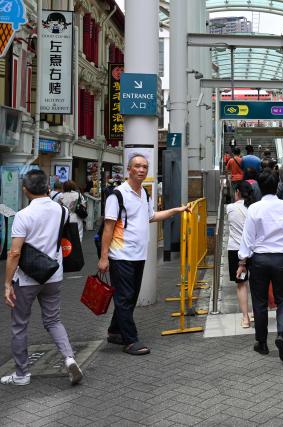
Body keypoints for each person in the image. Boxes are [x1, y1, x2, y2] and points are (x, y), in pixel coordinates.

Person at [98, 154, 188, 355]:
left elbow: (152, 216)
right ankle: (130, 340)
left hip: (138, 255)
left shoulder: (144, 194)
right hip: (120, 255)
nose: (141, 170)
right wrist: (104, 257)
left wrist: (176, 210)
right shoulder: (117, 195)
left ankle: (114, 331)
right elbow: (108, 227)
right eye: (137, 166)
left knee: (129, 297)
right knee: (124, 297)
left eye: (145, 167)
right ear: (129, 169)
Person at [2, 170, 83, 386]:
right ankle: (69, 358)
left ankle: (21, 374)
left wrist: (7, 283)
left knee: (20, 325)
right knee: (53, 320)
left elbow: (15, 253)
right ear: (48, 187)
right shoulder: (62, 211)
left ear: (25, 189)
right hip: (53, 274)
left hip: (27, 279)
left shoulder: (23, 215)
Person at [237, 170, 283, 363]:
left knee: (260, 301)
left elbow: (247, 239)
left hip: (259, 260)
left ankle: (262, 342)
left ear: (259, 187)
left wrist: (242, 262)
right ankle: (281, 335)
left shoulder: (254, 209)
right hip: (281, 258)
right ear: (277, 186)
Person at [227, 181, 257, 329]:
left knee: (241, 285)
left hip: (236, 250)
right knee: (257, 283)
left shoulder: (230, 208)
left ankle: (245, 318)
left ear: (237, 192)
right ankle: (257, 313)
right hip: (254, 250)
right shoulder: (255, 209)